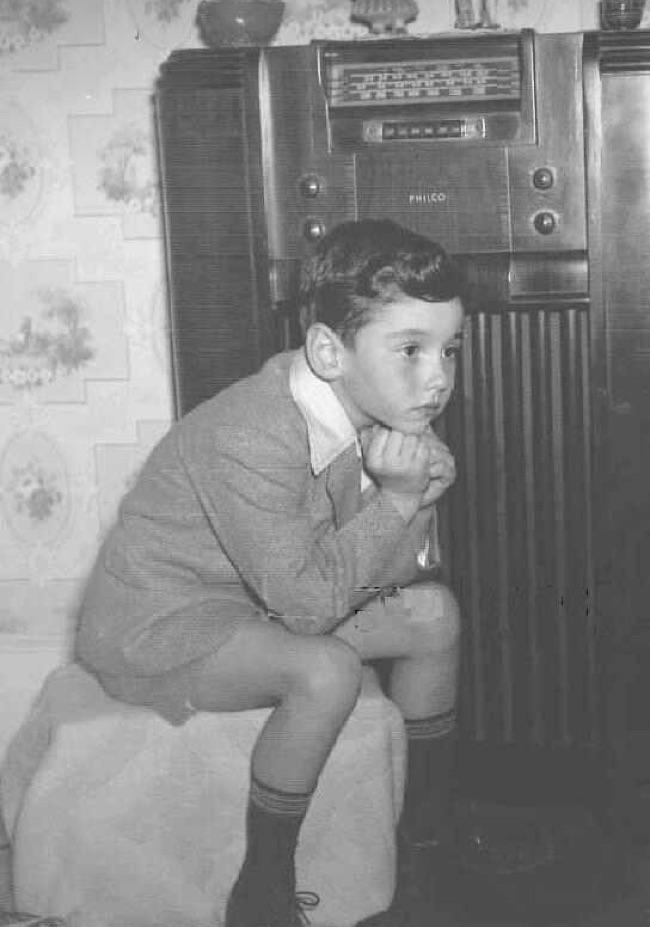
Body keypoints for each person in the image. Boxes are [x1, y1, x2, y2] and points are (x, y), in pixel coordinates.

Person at [74, 218, 466, 927]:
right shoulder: (250, 431)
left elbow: (406, 572)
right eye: (410, 349)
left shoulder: (386, 408)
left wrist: (418, 505)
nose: (437, 376)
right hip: (168, 620)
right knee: (324, 670)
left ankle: (427, 839)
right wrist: (401, 498)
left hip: (270, 601)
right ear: (328, 350)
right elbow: (312, 612)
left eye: (448, 348)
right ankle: (261, 886)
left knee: (434, 616)